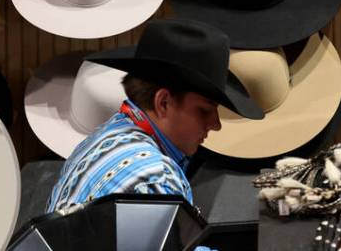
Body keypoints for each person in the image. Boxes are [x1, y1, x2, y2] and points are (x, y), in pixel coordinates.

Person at [47, 18, 262, 211]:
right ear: (163, 102)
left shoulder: (101, 137)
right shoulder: (157, 180)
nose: (215, 124)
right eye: (204, 110)